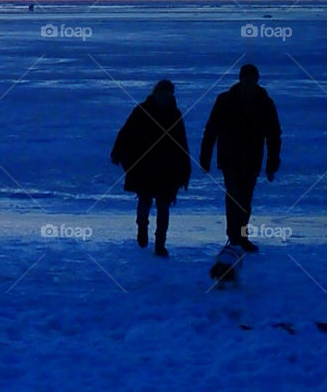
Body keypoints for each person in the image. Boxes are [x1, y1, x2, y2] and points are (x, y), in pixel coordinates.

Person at [200, 63, 281, 252]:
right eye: (247, 79)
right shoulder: (225, 100)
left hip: (252, 159)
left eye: (252, 79)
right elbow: (211, 130)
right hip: (230, 158)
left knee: (245, 200)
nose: (250, 83)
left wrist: (272, 163)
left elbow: (274, 135)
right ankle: (234, 236)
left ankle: (241, 236)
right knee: (234, 196)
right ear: (241, 79)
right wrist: (205, 158)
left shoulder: (265, 103)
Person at [111, 79, 191, 257]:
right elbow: (125, 133)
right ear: (156, 93)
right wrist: (117, 152)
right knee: (144, 200)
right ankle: (142, 229)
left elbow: (181, 143)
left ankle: (160, 242)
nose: (165, 97)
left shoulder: (175, 115)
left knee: (163, 206)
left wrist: (185, 171)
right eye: (162, 93)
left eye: (168, 94)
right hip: (145, 167)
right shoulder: (141, 111)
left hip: (167, 169)